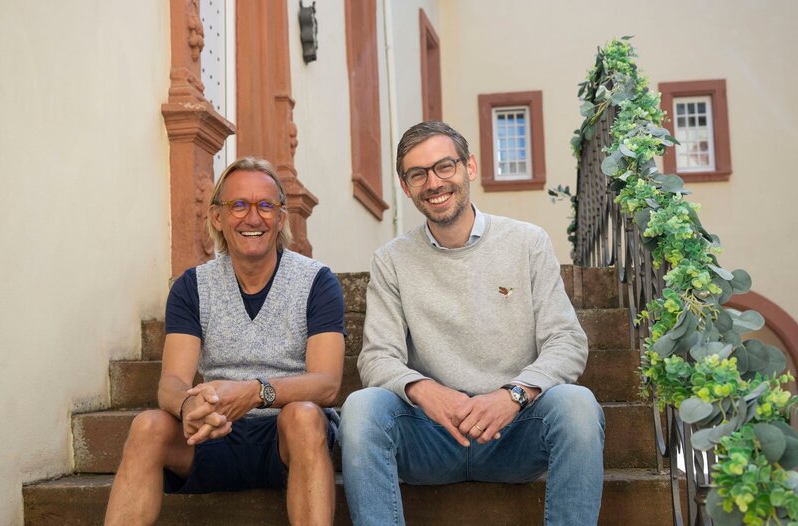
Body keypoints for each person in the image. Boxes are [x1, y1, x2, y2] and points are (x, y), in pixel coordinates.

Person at [339, 121, 605, 525]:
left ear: (470, 168)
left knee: (578, 405)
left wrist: (512, 395)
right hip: (428, 438)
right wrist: (426, 391)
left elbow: (566, 341)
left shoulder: (527, 242)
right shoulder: (391, 260)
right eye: (418, 174)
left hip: (513, 434)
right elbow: (377, 357)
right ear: (406, 186)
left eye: (445, 166)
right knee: (361, 407)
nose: (434, 182)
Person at [105, 157, 345, 526]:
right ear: (217, 217)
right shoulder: (192, 286)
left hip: (288, 438)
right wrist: (188, 408)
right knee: (148, 426)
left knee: (305, 416)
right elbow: (171, 383)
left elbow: (327, 385)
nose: (253, 218)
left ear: (281, 218)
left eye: (266, 205)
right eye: (238, 205)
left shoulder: (317, 281)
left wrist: (253, 393)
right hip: (214, 431)